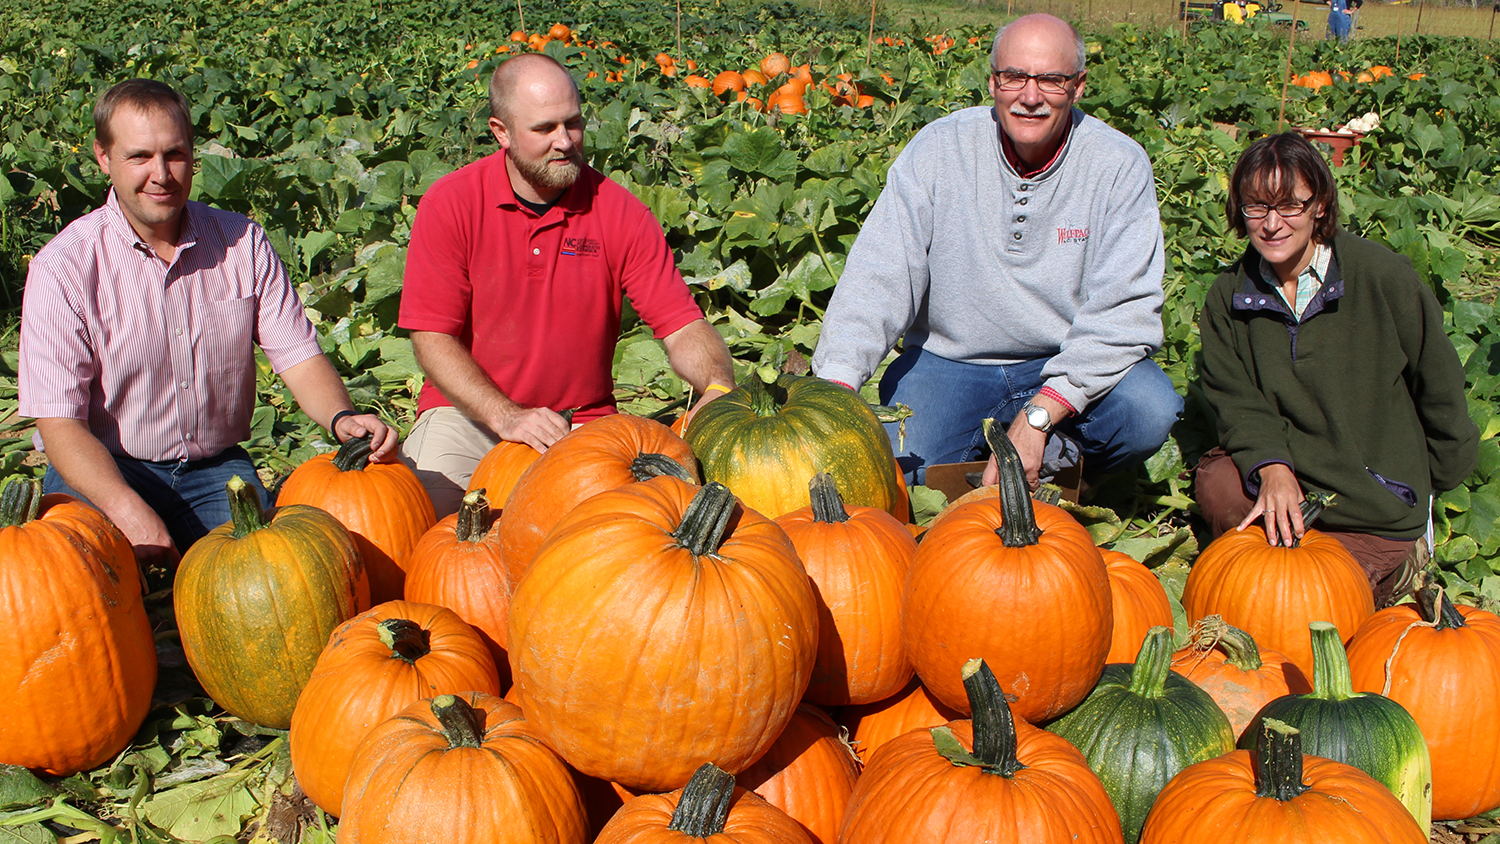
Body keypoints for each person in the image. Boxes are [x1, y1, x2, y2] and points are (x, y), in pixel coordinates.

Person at [19, 79, 398, 569]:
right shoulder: (64, 267)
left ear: (193, 154)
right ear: (103, 157)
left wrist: (343, 419)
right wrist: (132, 513)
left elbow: (298, 356)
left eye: (175, 154)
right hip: (103, 469)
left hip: (214, 469)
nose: (161, 174)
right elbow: (60, 426)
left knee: (273, 581)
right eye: (139, 157)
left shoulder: (242, 242)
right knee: (84, 586)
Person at [811, 13, 1181, 490]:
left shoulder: (1117, 164)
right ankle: (1036, 463)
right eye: (1014, 77)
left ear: (1079, 85)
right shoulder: (939, 150)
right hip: (951, 364)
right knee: (900, 469)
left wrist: (1043, 413)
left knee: (1146, 410)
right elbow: (879, 275)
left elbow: (1124, 312)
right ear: (992, 81)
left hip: (1061, 357)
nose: (1030, 96)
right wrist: (835, 389)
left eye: (1051, 79)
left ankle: (1059, 461)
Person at [398, 54, 735, 516]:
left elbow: (682, 326)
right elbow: (431, 338)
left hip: (581, 423)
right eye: (544, 129)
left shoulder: (619, 213)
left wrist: (716, 386)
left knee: (623, 539)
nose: (564, 142)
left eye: (573, 123)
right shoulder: (451, 204)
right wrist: (506, 416)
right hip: (468, 417)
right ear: (502, 132)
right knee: (429, 532)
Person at [1195, 132, 1478, 606]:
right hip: (1295, 478)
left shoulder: (1382, 278)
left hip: (1372, 496)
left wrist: (1426, 484)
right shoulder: (1228, 297)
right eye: (1256, 207)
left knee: (1321, 606)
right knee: (1220, 483)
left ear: (1320, 205)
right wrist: (1272, 465)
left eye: (1290, 206)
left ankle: (1400, 557)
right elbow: (1236, 398)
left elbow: (1438, 381)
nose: (1272, 224)